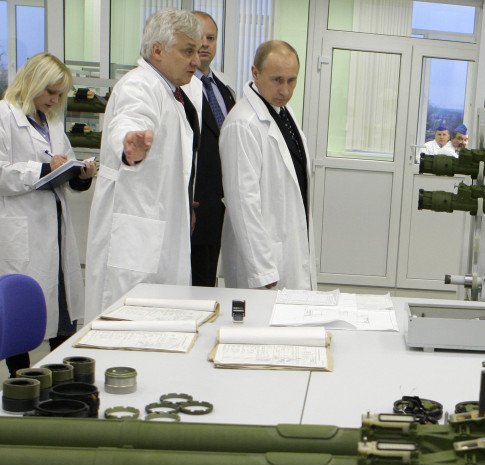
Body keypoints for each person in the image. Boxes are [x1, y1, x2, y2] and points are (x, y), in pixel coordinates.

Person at [84, 9, 201, 320]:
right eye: (187, 51)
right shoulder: (140, 86)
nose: (196, 61)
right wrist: (129, 143)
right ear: (157, 50)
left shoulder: (170, 92)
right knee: (123, 329)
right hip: (135, 241)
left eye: (197, 51)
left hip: (154, 233)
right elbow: (131, 118)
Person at [0, 53, 96, 373]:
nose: (55, 100)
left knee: (64, 311)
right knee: (23, 316)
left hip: (55, 227)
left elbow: (63, 164)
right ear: (32, 84)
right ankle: (20, 380)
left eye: (60, 94)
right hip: (23, 228)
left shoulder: (51, 122)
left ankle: (64, 379)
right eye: (50, 92)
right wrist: (42, 168)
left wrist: (80, 174)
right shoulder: (4, 115)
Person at [220, 40, 315, 290]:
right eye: (277, 80)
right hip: (264, 265)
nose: (285, 90)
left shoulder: (283, 112)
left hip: (287, 247)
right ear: (255, 73)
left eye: (292, 80)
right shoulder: (243, 124)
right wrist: (262, 271)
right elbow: (243, 203)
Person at [189, 11, 235, 287]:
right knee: (191, 280)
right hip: (195, 198)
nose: (205, 44)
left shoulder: (223, 87)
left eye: (211, 38)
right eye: (199, 37)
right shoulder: (180, 87)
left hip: (219, 201)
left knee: (209, 276)